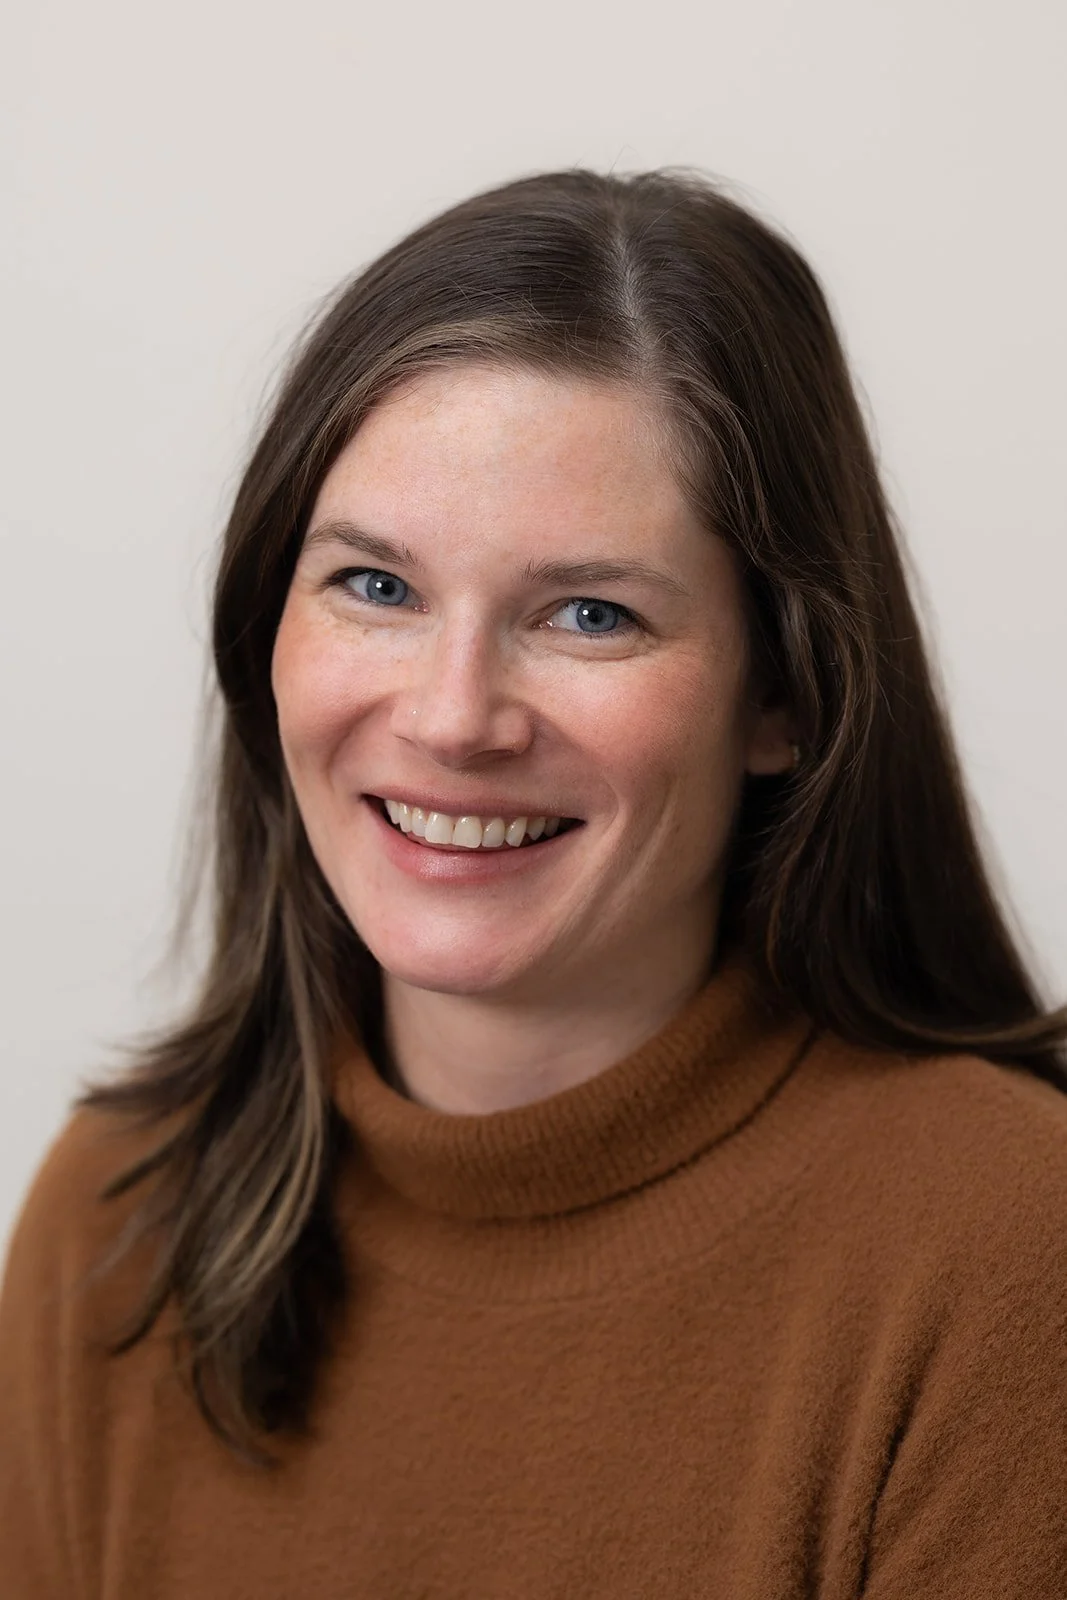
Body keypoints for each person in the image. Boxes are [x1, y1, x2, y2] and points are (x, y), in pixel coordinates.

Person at [2, 166, 1066, 1599]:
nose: (452, 717)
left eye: (588, 613)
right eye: (374, 586)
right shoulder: (118, 1211)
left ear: (784, 695)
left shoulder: (1008, 1251)